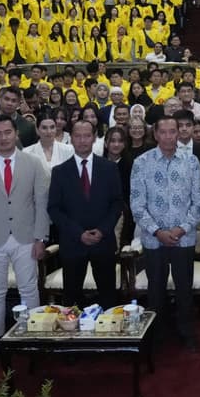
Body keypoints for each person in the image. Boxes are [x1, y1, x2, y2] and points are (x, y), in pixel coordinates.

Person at [0, 114, 51, 366]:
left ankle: (33, 337)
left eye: (8, 132)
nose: (3, 138)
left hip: (26, 237)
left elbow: (41, 203)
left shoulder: (34, 163)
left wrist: (40, 239)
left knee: (29, 289)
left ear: (16, 133)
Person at [130, 113, 200, 350]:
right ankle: (157, 334)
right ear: (155, 134)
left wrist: (182, 228)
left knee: (185, 289)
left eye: (173, 131)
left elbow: (199, 200)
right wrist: (157, 231)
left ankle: (186, 332)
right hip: (154, 241)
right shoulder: (141, 162)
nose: (168, 136)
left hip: (184, 239)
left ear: (180, 133)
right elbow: (136, 204)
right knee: (156, 290)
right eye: (163, 132)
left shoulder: (191, 161)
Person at [47, 120, 124, 309]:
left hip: (103, 242)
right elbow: (54, 208)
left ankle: (108, 337)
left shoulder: (109, 168)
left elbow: (117, 203)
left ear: (94, 138)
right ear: (70, 138)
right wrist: (78, 233)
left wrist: (102, 230)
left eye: (87, 136)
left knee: (108, 298)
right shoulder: (59, 171)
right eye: (78, 136)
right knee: (72, 299)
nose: (82, 140)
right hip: (73, 244)